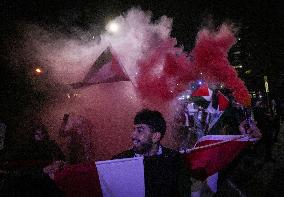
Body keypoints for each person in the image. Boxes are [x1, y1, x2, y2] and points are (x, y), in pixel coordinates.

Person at [112, 109, 191, 197]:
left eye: (140, 130)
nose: (133, 135)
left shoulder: (176, 161)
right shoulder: (119, 161)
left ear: (155, 137)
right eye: (134, 129)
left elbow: (184, 193)